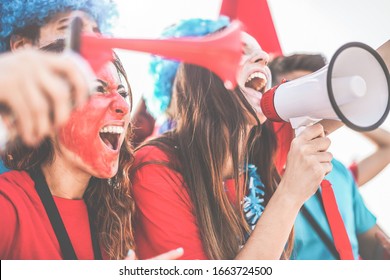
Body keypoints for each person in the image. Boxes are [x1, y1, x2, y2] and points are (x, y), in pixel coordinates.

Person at [131, 19, 333, 260]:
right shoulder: (156, 166)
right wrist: (289, 194)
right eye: (240, 50)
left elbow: (340, 99)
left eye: (260, 52)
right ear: (201, 75)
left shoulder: (262, 144)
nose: (263, 57)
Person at [0, 0, 183, 260]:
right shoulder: (8, 205)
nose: (122, 105)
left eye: (122, 93)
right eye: (98, 88)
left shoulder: (113, 217)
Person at [268, 53, 390, 259]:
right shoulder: (255, 180)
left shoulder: (338, 173)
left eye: (317, 94)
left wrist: (344, 109)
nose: (309, 106)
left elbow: (373, 247)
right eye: (297, 93)